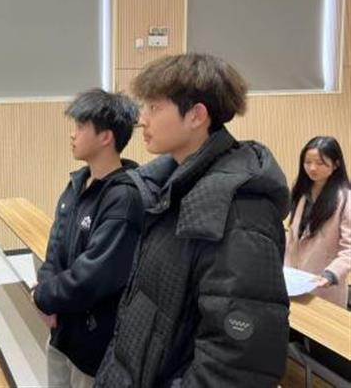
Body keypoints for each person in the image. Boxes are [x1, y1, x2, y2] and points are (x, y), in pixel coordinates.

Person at [95, 53, 290, 388]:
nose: (142, 119)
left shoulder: (240, 211)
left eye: (154, 107)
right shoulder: (170, 191)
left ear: (196, 116)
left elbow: (236, 364)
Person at [32, 88, 143, 388]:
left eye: (81, 127)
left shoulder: (124, 198)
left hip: (93, 344)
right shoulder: (76, 184)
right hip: (61, 331)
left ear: (106, 137)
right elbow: (54, 249)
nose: (73, 134)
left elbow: (92, 277)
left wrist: (42, 297)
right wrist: (45, 296)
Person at [285, 136, 350, 308]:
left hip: (324, 284)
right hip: (294, 280)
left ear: (336, 164)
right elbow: (293, 236)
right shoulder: (301, 193)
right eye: (307, 162)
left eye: (320, 163)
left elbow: (349, 248)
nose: (312, 168)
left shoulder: (345, 199)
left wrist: (331, 274)